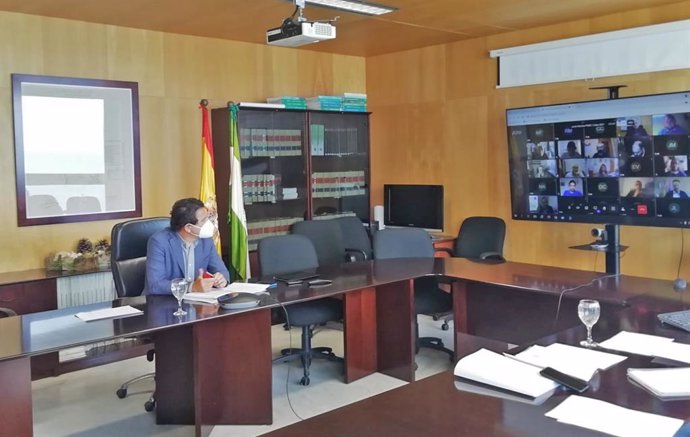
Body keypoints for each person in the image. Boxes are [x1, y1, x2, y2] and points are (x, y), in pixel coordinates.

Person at [146, 198, 230, 295]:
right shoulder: (159, 242)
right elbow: (155, 285)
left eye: (208, 218)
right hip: (165, 303)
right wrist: (192, 287)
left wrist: (221, 279)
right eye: (203, 221)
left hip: (199, 303)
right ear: (188, 228)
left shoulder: (206, 240)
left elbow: (222, 271)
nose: (209, 223)